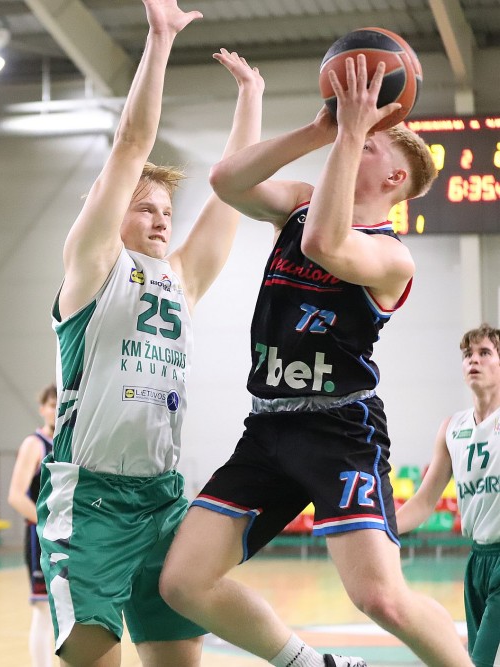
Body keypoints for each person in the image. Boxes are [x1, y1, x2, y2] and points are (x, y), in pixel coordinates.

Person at [158, 55, 470, 667]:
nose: (355, 137)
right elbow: (226, 181)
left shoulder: (392, 258)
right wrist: (321, 130)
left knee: (381, 599)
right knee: (183, 583)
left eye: (371, 144)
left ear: (395, 179)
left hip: (339, 431)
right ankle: (312, 665)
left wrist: (353, 131)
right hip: (268, 428)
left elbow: (324, 244)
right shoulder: (300, 202)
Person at [35, 0, 265, 664]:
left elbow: (230, 195)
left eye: (167, 209)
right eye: (145, 207)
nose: (162, 219)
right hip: (90, 502)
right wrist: (160, 39)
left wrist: (250, 99)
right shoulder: (91, 267)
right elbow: (132, 144)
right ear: (108, 213)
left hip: (162, 498)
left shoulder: (180, 280)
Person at [396, 324, 500, 667]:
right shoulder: (452, 427)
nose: (474, 360)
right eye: (468, 354)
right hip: (478, 560)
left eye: (484, 353)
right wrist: (380, 528)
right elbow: (425, 502)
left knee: (478, 661)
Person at [7, 383, 58, 667]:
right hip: (41, 536)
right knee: (43, 611)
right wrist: (50, 525)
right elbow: (16, 496)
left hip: (70, 537)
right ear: (42, 409)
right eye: (51, 404)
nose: (56, 409)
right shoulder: (34, 444)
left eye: (60, 404)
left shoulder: (69, 444)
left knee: (69, 611)